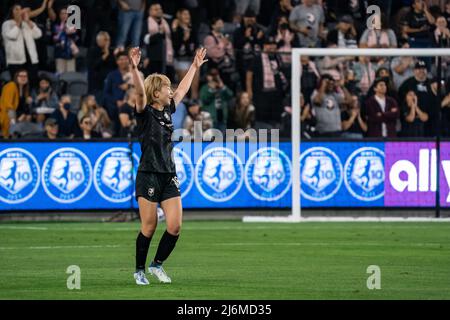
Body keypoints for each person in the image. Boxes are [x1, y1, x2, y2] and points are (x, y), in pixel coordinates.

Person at [129, 46, 207, 285]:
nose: (171, 90)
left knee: (174, 226)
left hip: (168, 174)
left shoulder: (168, 111)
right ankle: (139, 270)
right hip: (148, 174)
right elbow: (140, 94)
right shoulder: (145, 112)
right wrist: (134, 69)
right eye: (166, 87)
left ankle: (157, 265)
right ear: (155, 93)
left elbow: (183, 89)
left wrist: (194, 67)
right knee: (149, 227)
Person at [2, 3, 42, 87]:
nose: (19, 11)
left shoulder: (27, 22)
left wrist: (28, 21)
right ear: (11, 12)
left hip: (31, 59)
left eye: (20, 9)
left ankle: (31, 99)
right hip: (15, 61)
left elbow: (38, 34)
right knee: (17, 85)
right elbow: (12, 36)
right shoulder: (7, 24)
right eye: (16, 9)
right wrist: (18, 22)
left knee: (32, 83)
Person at [0, 69, 32, 139]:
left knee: (28, 118)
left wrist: (25, 111)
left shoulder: (25, 90)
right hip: (7, 114)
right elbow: (8, 105)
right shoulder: (11, 86)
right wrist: (14, 120)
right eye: (21, 76)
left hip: (19, 115)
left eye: (25, 76)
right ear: (16, 77)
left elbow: (23, 107)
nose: (23, 78)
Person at [87, 31, 116, 98]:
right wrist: (105, 55)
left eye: (108, 39)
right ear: (98, 41)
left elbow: (114, 66)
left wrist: (116, 55)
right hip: (96, 83)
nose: (108, 41)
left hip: (109, 82)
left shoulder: (111, 51)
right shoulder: (92, 51)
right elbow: (93, 66)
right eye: (105, 39)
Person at [52, 6, 79, 73]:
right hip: (59, 53)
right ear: (59, 15)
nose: (63, 15)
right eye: (62, 13)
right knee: (60, 75)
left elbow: (75, 36)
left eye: (65, 13)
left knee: (70, 74)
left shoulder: (72, 25)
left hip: (70, 54)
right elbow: (55, 39)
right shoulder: (56, 25)